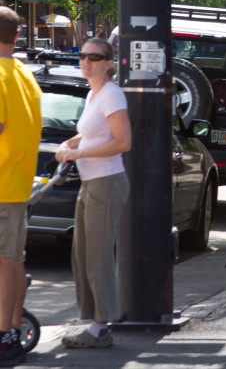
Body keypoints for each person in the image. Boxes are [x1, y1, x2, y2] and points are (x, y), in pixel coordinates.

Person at [55, 38, 132, 350]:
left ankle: (102, 326)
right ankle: (92, 319)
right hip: (92, 182)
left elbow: (123, 142)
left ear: (109, 62)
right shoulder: (93, 94)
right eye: (83, 56)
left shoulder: (112, 94)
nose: (87, 62)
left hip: (107, 181)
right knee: (83, 253)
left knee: (98, 256)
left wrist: (79, 154)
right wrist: (71, 144)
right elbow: (88, 132)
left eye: (95, 57)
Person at [0, 8, 42, 361]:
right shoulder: (26, 76)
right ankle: (12, 329)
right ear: (16, 36)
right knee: (12, 261)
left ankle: (4, 335)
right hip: (16, 183)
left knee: (3, 263)